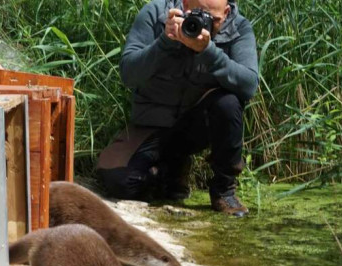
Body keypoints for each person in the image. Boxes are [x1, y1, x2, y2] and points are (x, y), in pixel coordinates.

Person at [97, 0, 258, 216]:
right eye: (195, 14)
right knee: (120, 183)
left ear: (227, 12)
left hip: (197, 126)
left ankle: (224, 190)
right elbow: (128, 74)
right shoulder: (155, 14)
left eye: (214, 20)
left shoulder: (239, 27)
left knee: (228, 102)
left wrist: (208, 52)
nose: (203, 24)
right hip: (151, 125)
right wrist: (164, 42)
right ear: (183, 4)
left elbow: (248, 85)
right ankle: (170, 172)